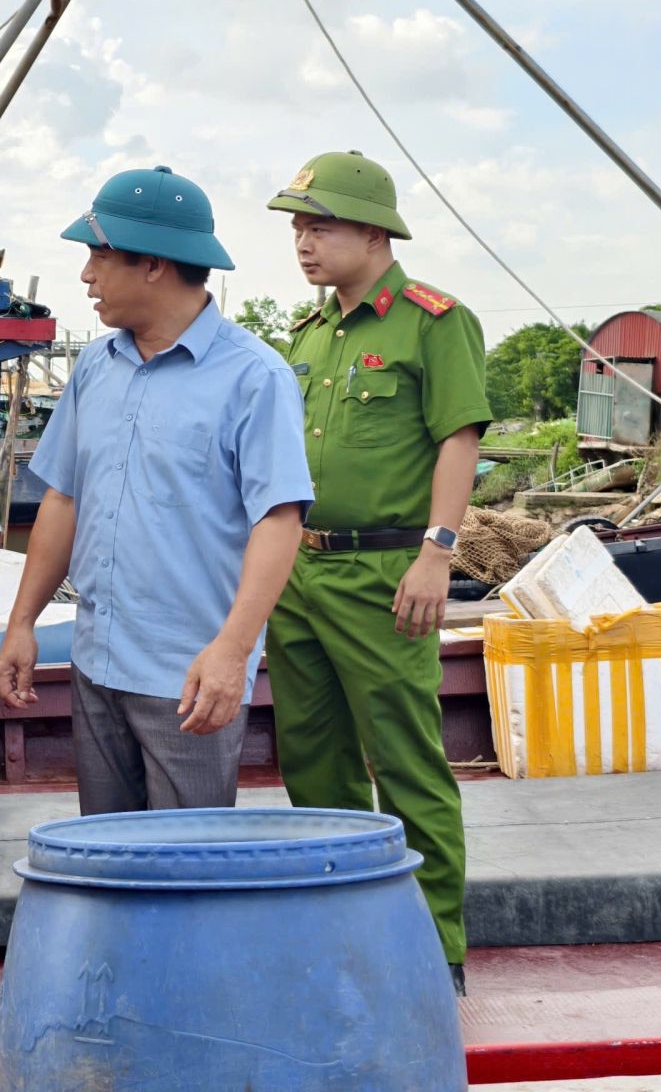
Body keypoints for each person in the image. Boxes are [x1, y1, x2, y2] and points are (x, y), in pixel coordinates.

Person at [0, 166, 311, 813]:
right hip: (98, 662)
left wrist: (232, 651)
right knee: (111, 856)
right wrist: (22, 622)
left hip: (189, 677)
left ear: (155, 266)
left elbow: (279, 521)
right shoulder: (95, 366)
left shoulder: (254, 378)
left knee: (188, 868)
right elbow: (63, 498)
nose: (86, 274)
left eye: (99, 255)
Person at [263, 150, 490, 997]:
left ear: (372, 230)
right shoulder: (311, 335)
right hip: (302, 573)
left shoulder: (433, 322)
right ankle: (348, 933)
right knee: (313, 763)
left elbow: (458, 439)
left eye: (318, 226)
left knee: (404, 760)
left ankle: (435, 954)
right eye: (297, 226)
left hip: (388, 571)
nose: (303, 241)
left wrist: (438, 552)